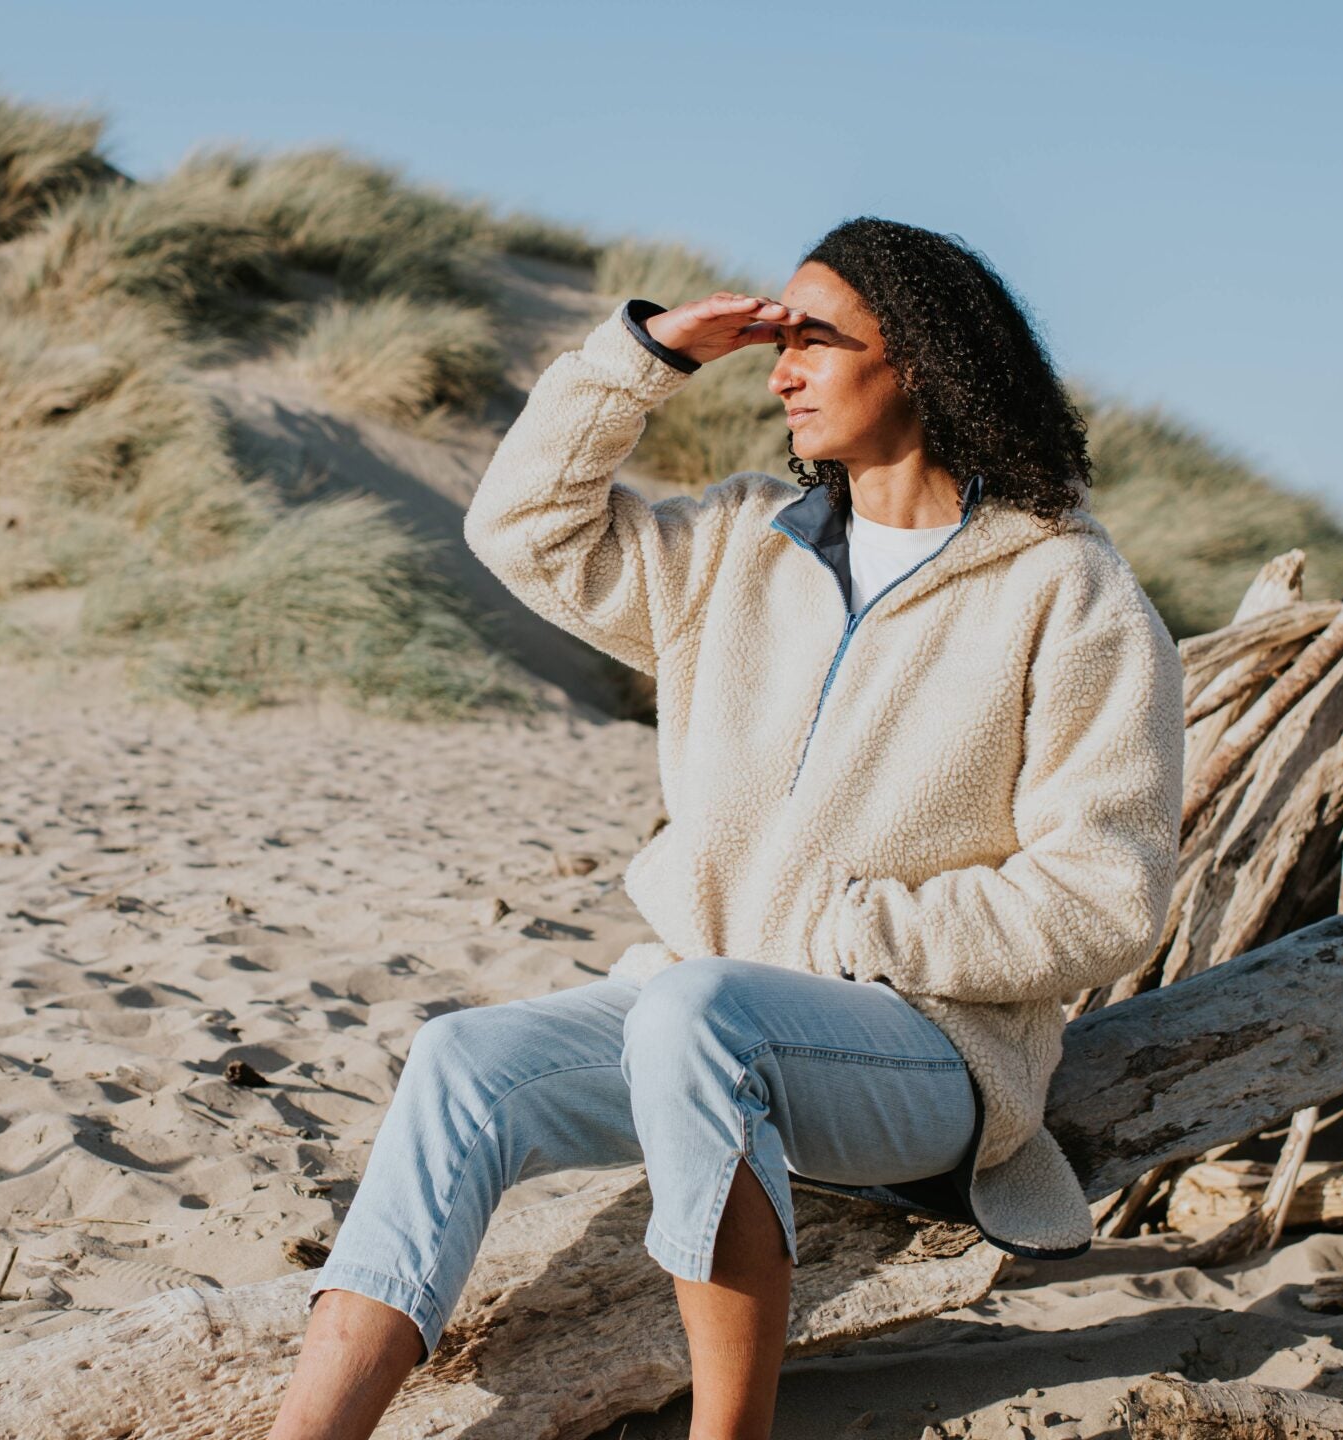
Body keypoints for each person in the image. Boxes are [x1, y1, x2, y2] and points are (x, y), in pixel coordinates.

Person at [267, 217, 1185, 1440]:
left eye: (814, 340)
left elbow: (1104, 894)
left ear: (914, 359)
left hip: (926, 1056)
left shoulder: (1067, 591)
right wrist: (644, 355)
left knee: (704, 1016)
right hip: (697, 1021)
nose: (781, 371)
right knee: (463, 1064)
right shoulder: (741, 547)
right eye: (777, 341)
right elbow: (522, 528)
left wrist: (852, 928)